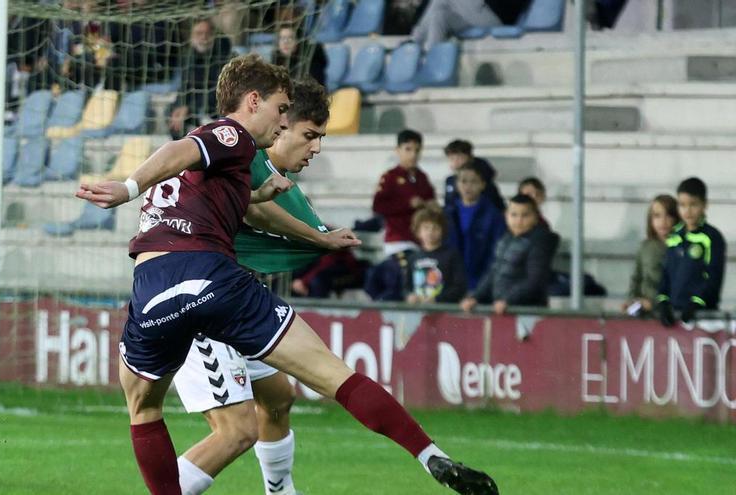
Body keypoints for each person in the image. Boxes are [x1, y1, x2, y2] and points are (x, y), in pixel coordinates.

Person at [76, 54, 497, 495]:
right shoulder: (233, 134)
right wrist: (126, 187)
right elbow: (181, 149)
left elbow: (251, 211)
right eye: (281, 110)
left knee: (157, 409)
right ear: (252, 101)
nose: (283, 122)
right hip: (211, 281)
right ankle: (431, 456)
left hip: (151, 289)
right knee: (322, 382)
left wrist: (288, 216)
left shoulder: (228, 174)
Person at [172, 79, 361, 495]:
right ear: (279, 125)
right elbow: (259, 217)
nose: (315, 148)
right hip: (203, 306)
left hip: (238, 304)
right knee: (236, 433)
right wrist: (319, 237)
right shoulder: (235, 160)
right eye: (308, 135)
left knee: (277, 399)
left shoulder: (268, 175)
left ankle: (280, 492)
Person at [460, 194, 558, 315]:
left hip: (527, 312)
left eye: (525, 215)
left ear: (536, 217)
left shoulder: (541, 241)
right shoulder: (505, 239)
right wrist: (475, 297)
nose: (519, 220)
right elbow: (493, 272)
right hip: (503, 309)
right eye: (514, 215)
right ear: (506, 215)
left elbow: (535, 280)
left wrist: (508, 300)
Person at [656, 178, 727, 326]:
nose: (687, 211)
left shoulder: (711, 237)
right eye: (682, 205)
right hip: (674, 315)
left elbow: (714, 277)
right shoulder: (674, 236)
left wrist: (696, 304)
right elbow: (666, 275)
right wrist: (663, 303)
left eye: (693, 204)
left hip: (703, 316)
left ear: (705, 205)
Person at [372, 129, 437, 257]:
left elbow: (431, 200)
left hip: (422, 240)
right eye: (408, 149)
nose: (413, 155)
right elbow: (378, 207)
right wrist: (407, 204)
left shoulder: (423, 177)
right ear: (397, 150)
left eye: (417, 150)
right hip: (398, 240)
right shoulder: (390, 177)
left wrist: (431, 206)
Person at [445, 162, 506, 291]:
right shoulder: (447, 213)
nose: (468, 186)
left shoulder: (494, 215)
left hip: (482, 279)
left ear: (483, 185)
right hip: (451, 281)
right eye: (463, 181)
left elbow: (497, 252)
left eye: (474, 182)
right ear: (457, 184)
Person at [169, 19, 233, 139]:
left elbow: (217, 91)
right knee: (173, 115)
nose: (204, 37)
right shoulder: (187, 57)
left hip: (216, 108)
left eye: (207, 33)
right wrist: (179, 107)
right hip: (196, 108)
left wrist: (188, 108)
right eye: (199, 33)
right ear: (191, 37)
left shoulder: (224, 57)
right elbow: (184, 87)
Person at [621, 195, 677, 317]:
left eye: (668, 215)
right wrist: (631, 301)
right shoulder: (645, 247)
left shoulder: (681, 248)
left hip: (671, 313)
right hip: (645, 312)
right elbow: (636, 278)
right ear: (650, 219)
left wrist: (654, 303)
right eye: (657, 216)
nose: (663, 221)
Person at [405, 206, 467, 304]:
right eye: (426, 228)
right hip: (417, 313)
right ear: (418, 231)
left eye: (435, 228)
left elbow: (459, 287)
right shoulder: (413, 257)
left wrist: (437, 299)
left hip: (445, 312)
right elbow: (406, 286)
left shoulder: (452, 255)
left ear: (443, 231)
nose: (430, 232)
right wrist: (409, 296)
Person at [412, 0, 531, 50]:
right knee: (440, 15)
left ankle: (414, 43)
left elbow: (512, 6)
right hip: (476, 13)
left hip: (495, 18)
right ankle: (432, 61)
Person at [443, 139, 505, 211]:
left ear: (470, 158)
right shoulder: (450, 180)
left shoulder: (483, 179)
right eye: (451, 159)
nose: (456, 162)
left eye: (460, 157)